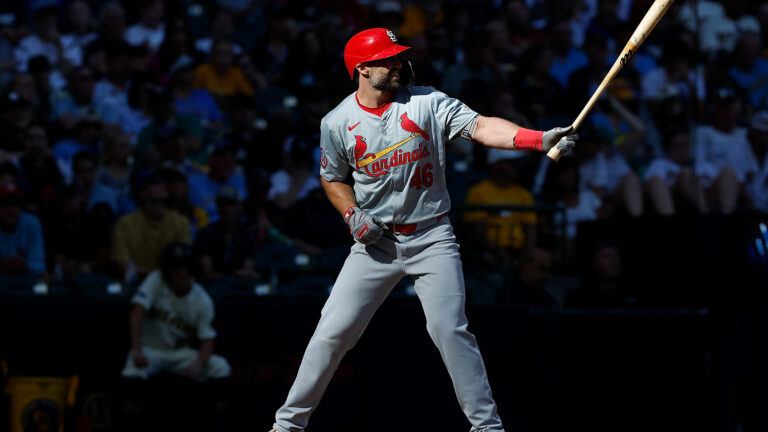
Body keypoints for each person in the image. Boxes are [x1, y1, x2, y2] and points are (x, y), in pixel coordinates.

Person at [268, 28, 577, 432]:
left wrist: (538, 139)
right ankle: (287, 426)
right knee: (332, 331)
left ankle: (487, 427)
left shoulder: (427, 101)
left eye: (398, 56)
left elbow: (482, 127)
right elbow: (331, 177)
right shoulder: (337, 122)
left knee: (449, 329)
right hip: (376, 243)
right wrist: (350, 213)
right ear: (363, 69)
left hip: (432, 236)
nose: (398, 63)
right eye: (388, 58)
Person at [111, 170, 190, 282]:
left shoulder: (181, 222)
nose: (162, 185)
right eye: (155, 183)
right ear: (142, 192)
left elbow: (184, 262)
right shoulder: (125, 224)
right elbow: (124, 266)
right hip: (137, 284)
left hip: (171, 284)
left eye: (163, 182)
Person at [0, 182, 46, 277]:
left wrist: (23, 264)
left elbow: (40, 265)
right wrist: (4, 264)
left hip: (27, 280)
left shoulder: (32, 223)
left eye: (15, 204)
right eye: (6, 204)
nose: (11, 210)